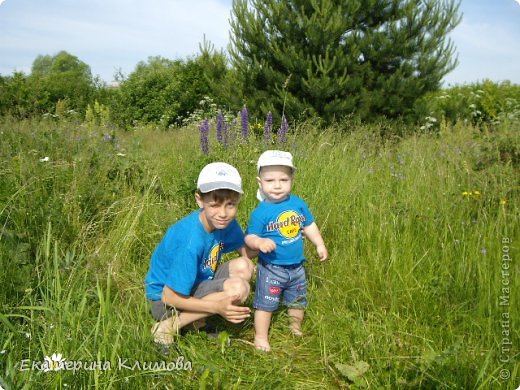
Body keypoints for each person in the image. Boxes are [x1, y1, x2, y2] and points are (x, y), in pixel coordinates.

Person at [145, 162, 255, 346]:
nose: (223, 213)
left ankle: (195, 322)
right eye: (214, 205)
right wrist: (216, 307)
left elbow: (247, 252)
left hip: (196, 282)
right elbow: (168, 296)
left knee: (245, 266)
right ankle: (169, 325)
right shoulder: (190, 242)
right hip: (165, 302)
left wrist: (277, 239)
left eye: (231, 204)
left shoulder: (224, 222)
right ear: (199, 199)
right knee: (239, 289)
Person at [245, 150, 328, 352]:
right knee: (266, 304)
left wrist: (319, 244)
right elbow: (249, 237)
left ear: (292, 179)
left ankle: (295, 327)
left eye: (283, 179)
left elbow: (309, 225)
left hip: (297, 267)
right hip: (272, 267)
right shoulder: (261, 212)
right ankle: (261, 336)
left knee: (297, 300)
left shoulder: (298, 204)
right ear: (260, 182)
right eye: (270, 180)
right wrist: (259, 243)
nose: (277, 185)